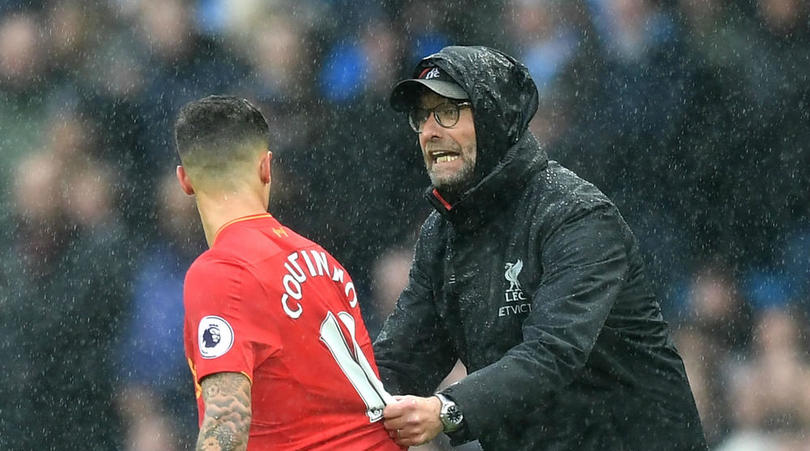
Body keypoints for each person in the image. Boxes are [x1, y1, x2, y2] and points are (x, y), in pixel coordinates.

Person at [373, 45, 708, 450]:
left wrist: (447, 409)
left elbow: (552, 353)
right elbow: (396, 365)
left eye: (448, 111)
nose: (429, 131)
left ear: (495, 118)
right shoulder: (441, 236)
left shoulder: (578, 216)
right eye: (422, 116)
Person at [173, 95, 402, 450]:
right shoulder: (324, 262)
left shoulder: (220, 272)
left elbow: (227, 420)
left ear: (184, 181)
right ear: (266, 168)